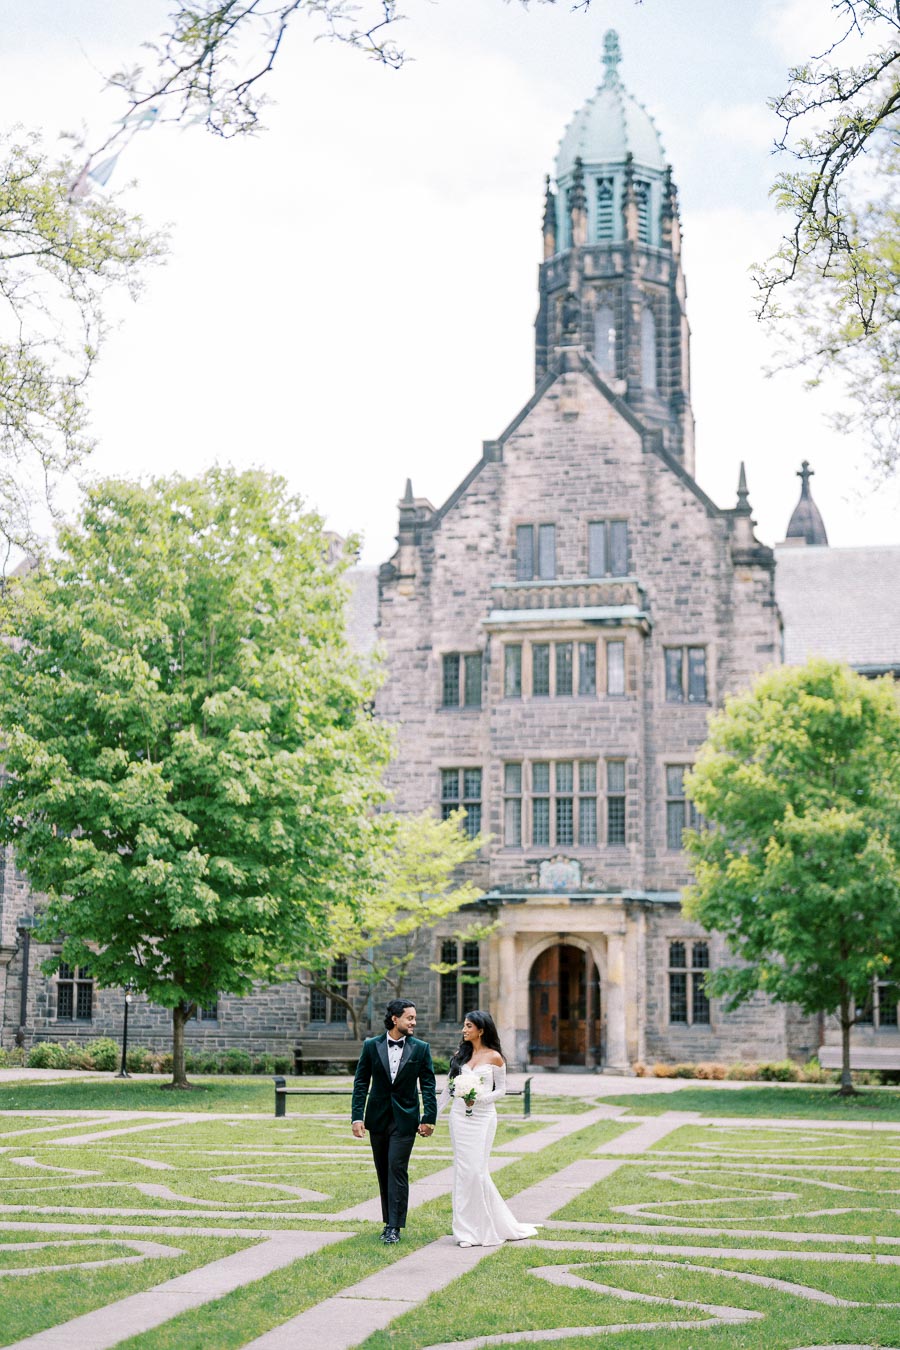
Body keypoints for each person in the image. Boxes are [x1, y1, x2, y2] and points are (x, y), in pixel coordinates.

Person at [438, 1009, 538, 1248]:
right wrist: (430, 1116)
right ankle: (464, 1232)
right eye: (464, 1026)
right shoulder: (459, 1056)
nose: (464, 1030)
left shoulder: (495, 1057)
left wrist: (479, 1098)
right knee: (463, 1172)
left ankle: (487, 1226)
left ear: (481, 1030)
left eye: (468, 1026)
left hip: (483, 1117)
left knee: (476, 1172)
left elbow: (501, 1090)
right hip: (459, 1117)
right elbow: (448, 1089)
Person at [351, 998, 437, 1245]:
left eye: (414, 1018)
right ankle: (388, 1220)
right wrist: (357, 1116)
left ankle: (394, 1226)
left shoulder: (421, 1048)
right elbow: (360, 1083)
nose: (414, 1022)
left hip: (405, 1119)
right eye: (410, 1018)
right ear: (394, 1019)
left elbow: (428, 1085)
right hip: (377, 1119)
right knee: (383, 1171)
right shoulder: (371, 1046)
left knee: (396, 1168)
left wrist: (428, 1118)